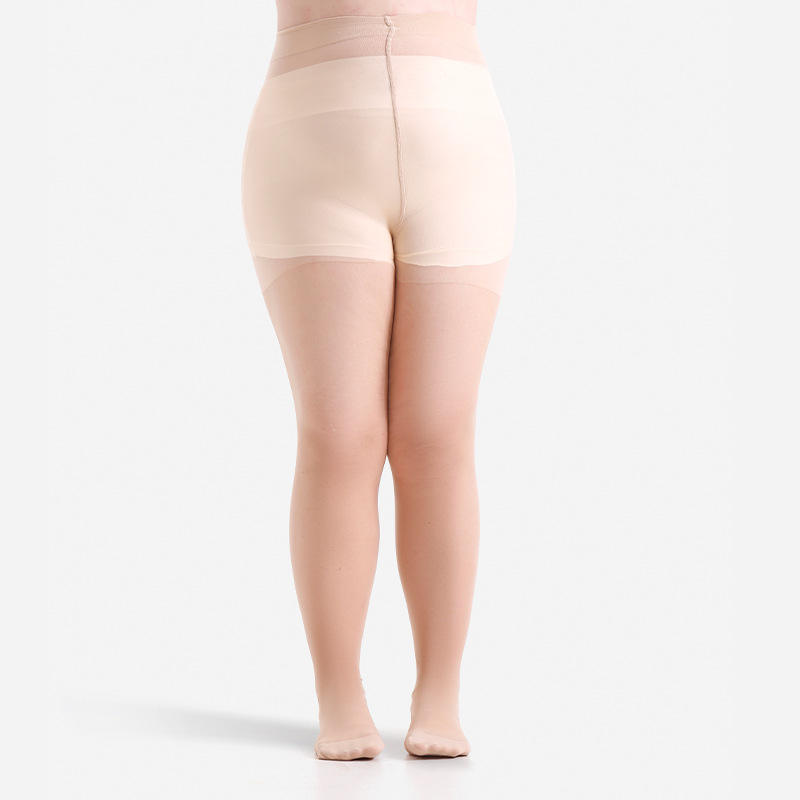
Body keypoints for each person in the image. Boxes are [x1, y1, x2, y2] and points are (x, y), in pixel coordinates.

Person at [241, 0, 516, 760]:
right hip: (313, 141)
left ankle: (440, 690)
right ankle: (339, 691)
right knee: (340, 433)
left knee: (438, 429)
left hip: (457, 139)